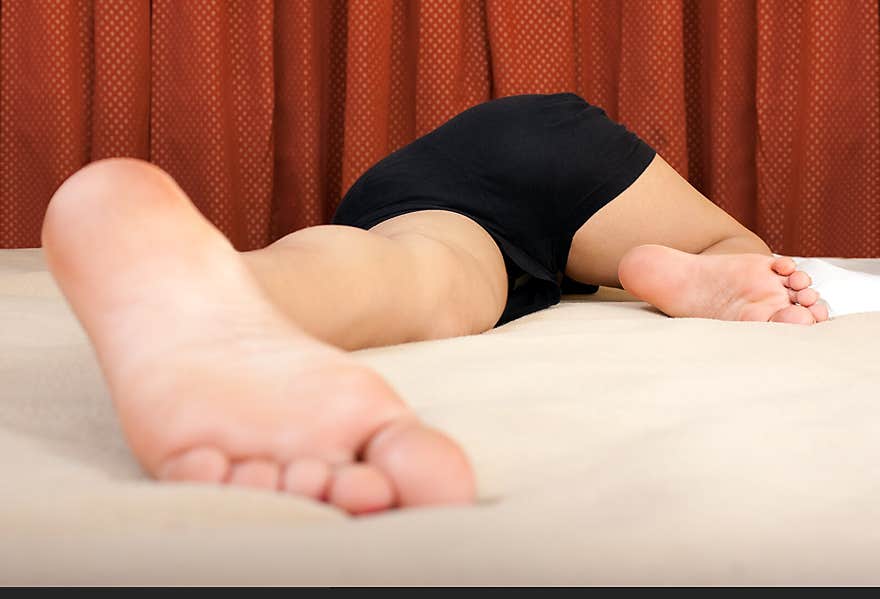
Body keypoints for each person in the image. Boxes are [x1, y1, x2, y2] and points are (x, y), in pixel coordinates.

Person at [40, 92, 829, 515]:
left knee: (409, 276)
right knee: (741, 249)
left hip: (412, 192)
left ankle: (244, 283)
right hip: (563, 142)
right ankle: (692, 273)